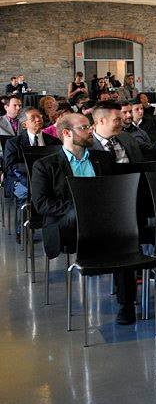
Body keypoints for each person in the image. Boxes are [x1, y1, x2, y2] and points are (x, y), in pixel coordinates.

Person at [31, 113, 137, 323]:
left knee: (125, 237)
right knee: (80, 213)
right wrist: (82, 206)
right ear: (67, 133)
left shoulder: (103, 158)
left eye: (89, 126)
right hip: (67, 226)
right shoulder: (45, 165)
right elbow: (42, 204)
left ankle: (127, 305)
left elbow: (116, 192)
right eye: (84, 127)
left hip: (104, 224)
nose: (90, 130)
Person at [3, 107, 61, 200]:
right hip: (23, 178)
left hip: (49, 178)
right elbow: (10, 167)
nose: (38, 119)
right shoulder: (14, 143)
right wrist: (35, 168)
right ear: (24, 124)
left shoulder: (55, 141)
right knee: (32, 192)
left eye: (39, 116)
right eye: (33, 118)